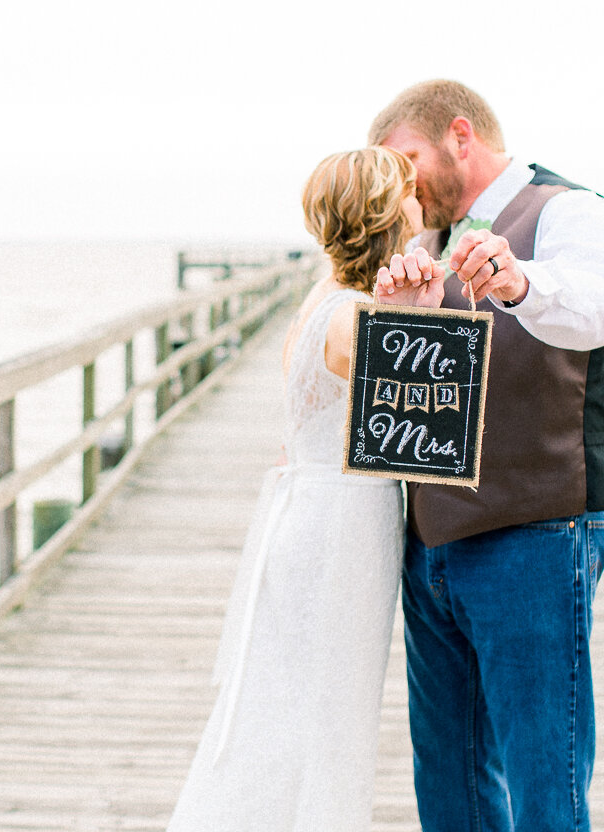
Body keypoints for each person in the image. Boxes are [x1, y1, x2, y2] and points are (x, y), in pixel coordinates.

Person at [369, 80, 604, 832]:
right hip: (430, 546)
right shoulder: (424, 244)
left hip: (537, 538)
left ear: (461, 136)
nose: (399, 183)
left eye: (406, 159)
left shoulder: (568, 212)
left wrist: (522, 283)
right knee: (450, 788)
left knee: (543, 792)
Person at [166, 147, 436, 831]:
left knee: (296, 702)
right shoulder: (352, 319)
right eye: (409, 191)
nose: (420, 202)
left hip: (322, 514)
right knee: (324, 712)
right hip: (340, 530)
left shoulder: (331, 300)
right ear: (384, 214)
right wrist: (424, 317)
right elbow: (429, 414)